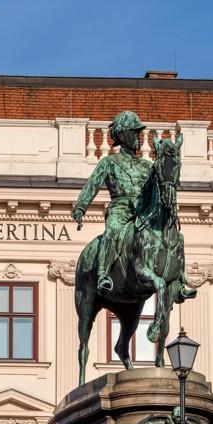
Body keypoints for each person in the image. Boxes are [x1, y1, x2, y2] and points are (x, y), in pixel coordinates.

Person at [72, 111, 155, 294]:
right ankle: (103, 275)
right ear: (122, 136)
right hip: (120, 208)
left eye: (138, 133)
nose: (138, 137)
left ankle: (177, 281)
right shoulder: (109, 162)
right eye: (134, 132)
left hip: (144, 212)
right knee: (112, 231)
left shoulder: (148, 166)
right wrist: (80, 207)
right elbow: (92, 185)